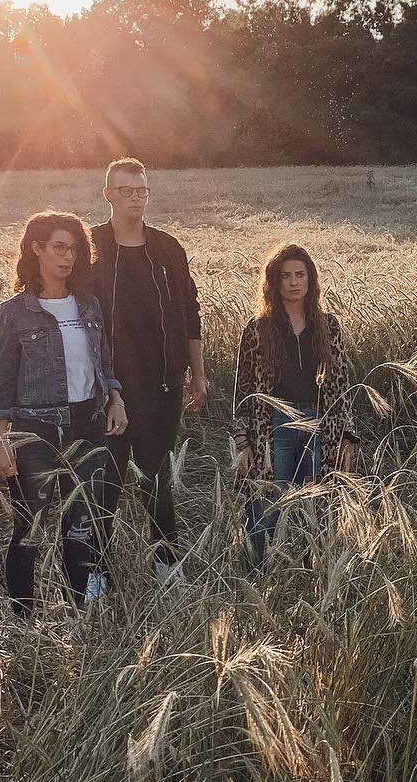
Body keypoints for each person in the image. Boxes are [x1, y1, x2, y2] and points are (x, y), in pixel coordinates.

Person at [0, 212, 127, 615]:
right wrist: (0, 440)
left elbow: (104, 364)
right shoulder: (16, 311)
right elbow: (3, 379)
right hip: (34, 430)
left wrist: (115, 400)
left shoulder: (88, 305)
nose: (68, 257)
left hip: (88, 424)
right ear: (37, 248)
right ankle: (25, 620)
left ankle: (79, 613)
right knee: (29, 528)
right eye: (59, 248)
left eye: (74, 249)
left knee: (81, 527)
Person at [89, 158, 206, 589]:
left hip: (162, 385)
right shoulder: (93, 247)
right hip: (108, 388)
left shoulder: (167, 249)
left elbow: (190, 312)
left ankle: (167, 565)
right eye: (125, 191)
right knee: (108, 481)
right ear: (108, 194)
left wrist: (197, 372)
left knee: (157, 474)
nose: (135, 198)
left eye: (141, 190)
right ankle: (98, 575)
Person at [232, 244, 357, 562]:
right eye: (285, 276)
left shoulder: (328, 327)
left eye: (300, 274)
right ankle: (258, 580)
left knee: (315, 510)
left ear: (310, 279)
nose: (293, 282)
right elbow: (244, 390)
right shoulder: (258, 329)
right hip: (273, 426)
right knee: (266, 506)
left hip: (320, 425)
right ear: (274, 282)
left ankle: (313, 582)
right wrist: (243, 440)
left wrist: (346, 435)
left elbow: (341, 385)